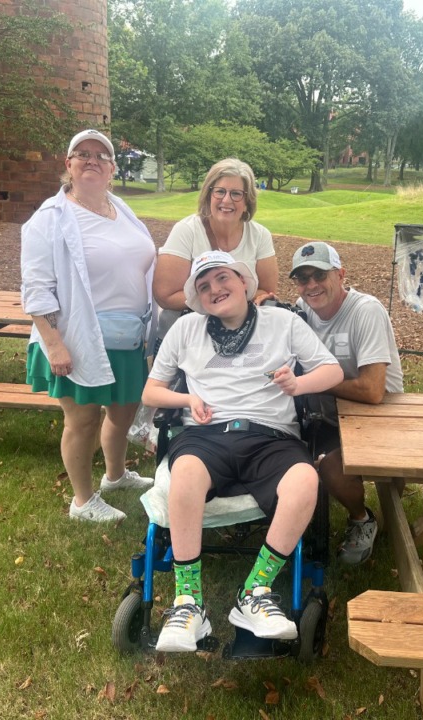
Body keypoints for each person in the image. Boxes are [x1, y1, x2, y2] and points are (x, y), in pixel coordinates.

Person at [143, 251, 343, 652]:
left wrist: (297, 386)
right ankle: (188, 603)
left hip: (271, 436)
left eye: (222, 278)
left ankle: (254, 592)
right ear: (198, 299)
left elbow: (332, 370)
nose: (215, 289)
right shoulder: (186, 330)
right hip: (207, 433)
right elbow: (151, 391)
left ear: (245, 281)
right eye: (204, 287)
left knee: (306, 479)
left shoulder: (283, 322)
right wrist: (188, 399)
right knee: (184, 474)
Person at [21, 129, 158, 523]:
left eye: (101, 155)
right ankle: (82, 501)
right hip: (76, 336)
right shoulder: (49, 219)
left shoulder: (120, 209)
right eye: (82, 154)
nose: (92, 160)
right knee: (83, 420)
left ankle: (115, 477)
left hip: (128, 335)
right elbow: (36, 287)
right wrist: (54, 343)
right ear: (68, 164)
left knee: (123, 411)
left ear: (113, 168)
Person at [290, 242, 404, 564]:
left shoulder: (365, 310)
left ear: (341, 274)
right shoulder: (302, 308)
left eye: (320, 275)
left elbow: (372, 391)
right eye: (302, 278)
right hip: (331, 412)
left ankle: (361, 518)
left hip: (379, 415)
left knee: (331, 468)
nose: (311, 285)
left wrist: (315, 383)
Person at [152, 158, 278, 340]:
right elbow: (166, 295)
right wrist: (223, 301)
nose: (226, 200)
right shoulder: (187, 231)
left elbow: (265, 292)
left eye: (236, 194)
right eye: (220, 191)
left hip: (241, 337)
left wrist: (228, 301)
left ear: (247, 201)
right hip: (187, 338)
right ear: (208, 195)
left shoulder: (259, 235)